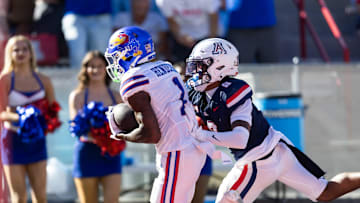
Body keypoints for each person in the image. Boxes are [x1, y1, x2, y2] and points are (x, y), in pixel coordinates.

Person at [185, 37, 360, 203]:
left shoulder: (232, 93)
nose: (195, 71)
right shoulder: (199, 94)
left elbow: (240, 138)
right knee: (325, 192)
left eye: (201, 66)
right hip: (278, 149)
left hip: (257, 160)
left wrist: (200, 134)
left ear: (220, 67)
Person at [105, 26, 218, 203]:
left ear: (131, 52)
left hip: (177, 150)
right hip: (193, 146)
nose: (116, 61)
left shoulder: (133, 80)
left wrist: (123, 135)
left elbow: (151, 133)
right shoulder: (166, 66)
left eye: (117, 55)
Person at [0, 35, 57, 203]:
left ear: (31, 53)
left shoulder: (44, 80)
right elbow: (1, 113)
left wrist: (43, 120)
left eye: (24, 49)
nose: (20, 53)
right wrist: (23, 116)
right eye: (15, 49)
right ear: (9, 54)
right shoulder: (4, 80)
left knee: (40, 196)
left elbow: (53, 110)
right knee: (19, 197)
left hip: (37, 141)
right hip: (12, 140)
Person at [68, 50, 124, 203]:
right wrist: (99, 135)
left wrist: (114, 137)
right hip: (87, 153)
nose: (95, 70)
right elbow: (76, 125)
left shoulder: (117, 96)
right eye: (91, 66)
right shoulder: (78, 95)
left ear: (106, 69)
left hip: (111, 154)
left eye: (100, 66)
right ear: (85, 69)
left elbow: (126, 123)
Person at [173, 62, 213, 203]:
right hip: (177, 157)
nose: (184, 80)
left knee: (198, 199)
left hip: (201, 154)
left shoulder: (204, 99)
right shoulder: (167, 102)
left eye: (188, 76)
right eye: (180, 77)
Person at [155, 0, 220, 63]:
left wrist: (210, 42)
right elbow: (171, 21)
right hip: (182, 39)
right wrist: (179, 37)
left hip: (207, 35)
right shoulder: (163, 1)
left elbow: (214, 18)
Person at [62, 0, 112, 68]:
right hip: (74, 15)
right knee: (77, 55)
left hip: (101, 15)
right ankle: (78, 78)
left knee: (100, 57)